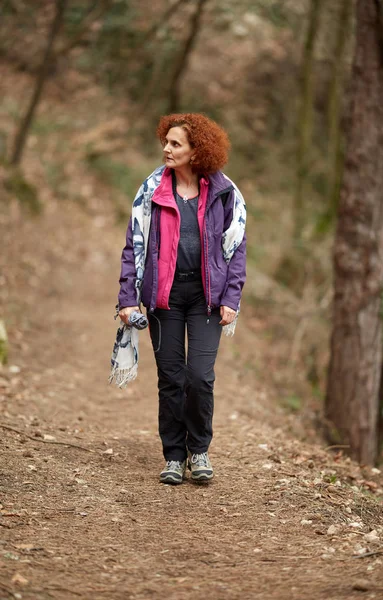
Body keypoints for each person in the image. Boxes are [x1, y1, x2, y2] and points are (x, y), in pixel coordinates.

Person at [117, 113, 246, 484]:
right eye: (166, 141)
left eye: (176, 144)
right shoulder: (152, 191)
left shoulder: (224, 193)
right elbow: (134, 246)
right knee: (172, 378)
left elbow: (236, 250)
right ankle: (174, 456)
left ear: (196, 151)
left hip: (207, 297)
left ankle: (199, 450)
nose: (166, 149)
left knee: (200, 377)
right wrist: (128, 298)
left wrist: (231, 297)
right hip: (165, 298)